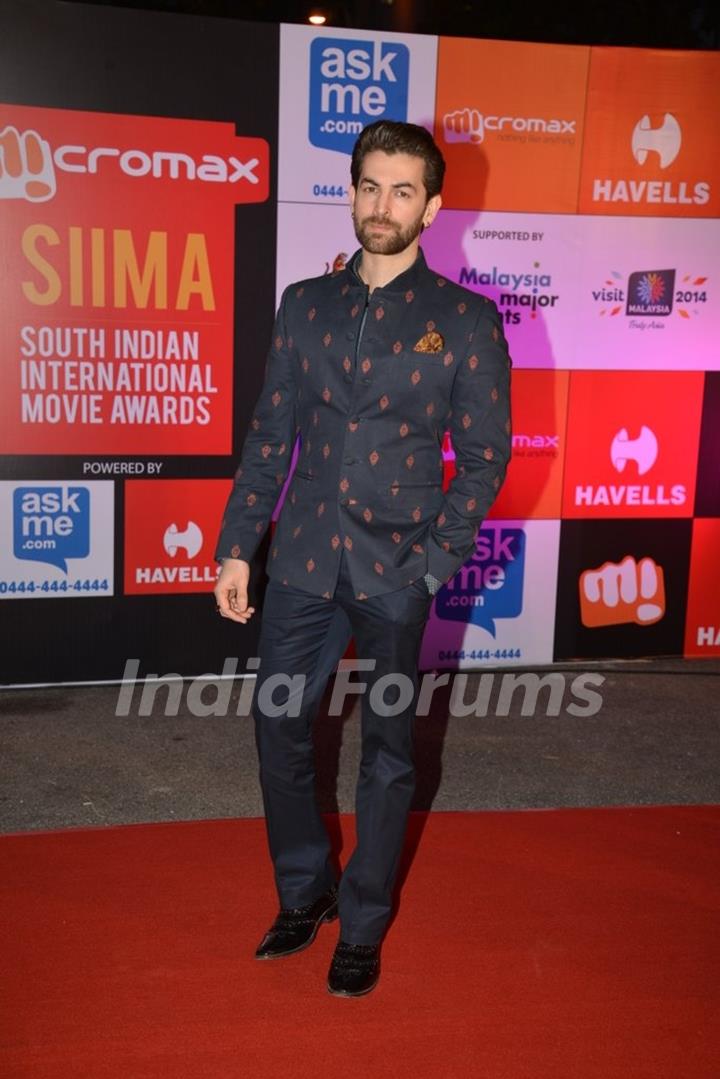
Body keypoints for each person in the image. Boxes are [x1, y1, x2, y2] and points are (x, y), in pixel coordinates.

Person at [214, 119, 512, 997]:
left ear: (433, 206)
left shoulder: (464, 319)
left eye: (403, 190)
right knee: (278, 726)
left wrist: (433, 562)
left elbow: (487, 456)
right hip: (302, 562)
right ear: (350, 191)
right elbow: (271, 437)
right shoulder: (304, 303)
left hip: (394, 575)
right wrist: (239, 547)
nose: (383, 206)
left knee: (387, 747)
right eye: (370, 186)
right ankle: (305, 893)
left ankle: (365, 918)